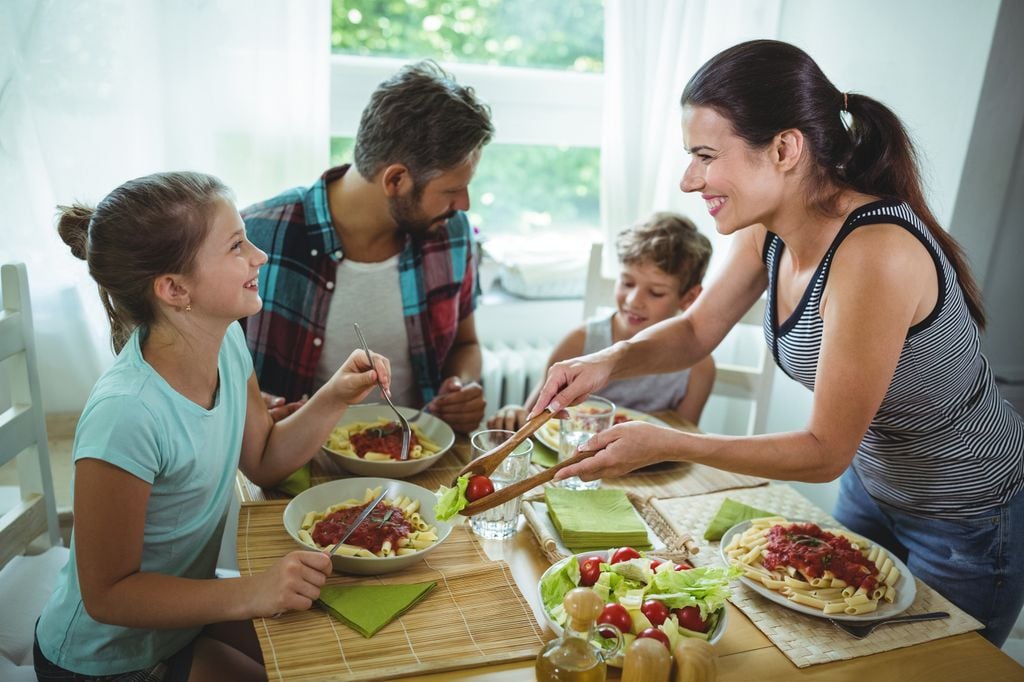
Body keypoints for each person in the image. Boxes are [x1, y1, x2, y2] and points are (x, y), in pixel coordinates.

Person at [530, 39, 1024, 646]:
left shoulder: (875, 253)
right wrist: (606, 360)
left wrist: (668, 441)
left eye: (706, 155)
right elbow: (694, 330)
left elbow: (823, 449)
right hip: (872, 488)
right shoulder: (770, 228)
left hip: (970, 518)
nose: (690, 180)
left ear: (786, 149)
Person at [35, 171, 391, 680]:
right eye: (235, 247)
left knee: (338, 656)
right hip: (106, 659)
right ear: (175, 289)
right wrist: (251, 590)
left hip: (183, 620)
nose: (259, 256)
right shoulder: (126, 414)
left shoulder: (225, 342)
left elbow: (263, 457)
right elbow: (106, 596)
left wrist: (335, 394)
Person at [242, 60, 493, 434]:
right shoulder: (257, 236)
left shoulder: (452, 234)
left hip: (417, 462)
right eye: (452, 190)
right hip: (291, 472)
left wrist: (463, 384)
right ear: (396, 180)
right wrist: (246, 404)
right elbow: (204, 373)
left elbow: (466, 344)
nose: (465, 205)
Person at [488, 212, 715, 431]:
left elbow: (681, 442)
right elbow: (532, 419)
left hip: (652, 468)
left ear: (689, 298)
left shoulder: (698, 367)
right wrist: (513, 413)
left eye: (656, 292)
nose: (634, 300)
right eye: (627, 282)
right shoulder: (580, 342)